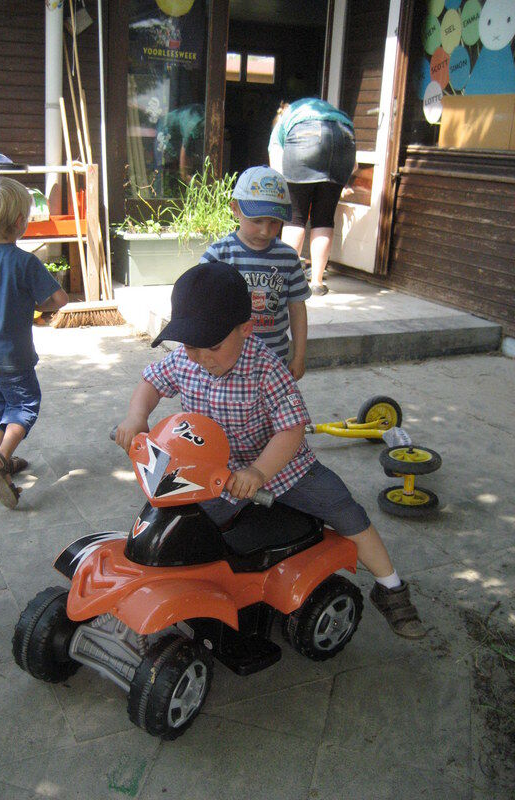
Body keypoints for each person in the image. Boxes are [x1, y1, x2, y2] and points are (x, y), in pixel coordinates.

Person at [115, 262, 425, 639]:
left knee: (345, 511)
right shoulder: (184, 359)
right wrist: (136, 416)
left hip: (285, 470)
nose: (201, 356)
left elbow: (291, 429)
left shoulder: (267, 369)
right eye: (191, 344)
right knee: (178, 523)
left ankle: (391, 587)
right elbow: (150, 383)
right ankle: (192, 592)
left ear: (245, 329)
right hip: (216, 475)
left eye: (212, 345)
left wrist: (259, 472)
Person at [0, 177, 68, 509]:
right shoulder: (25, 262)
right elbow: (59, 299)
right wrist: (35, 303)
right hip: (13, 357)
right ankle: (1, 457)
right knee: (25, 405)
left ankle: (3, 467)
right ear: (20, 222)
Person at [200, 165, 310, 381]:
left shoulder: (288, 258)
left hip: (274, 360)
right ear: (235, 209)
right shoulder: (218, 254)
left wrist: (299, 356)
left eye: (274, 222)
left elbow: (297, 308)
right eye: (257, 220)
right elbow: (200, 307)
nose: (265, 230)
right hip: (228, 361)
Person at [268, 98, 356, 296]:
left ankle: (284, 281)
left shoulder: (283, 124)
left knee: (295, 218)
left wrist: (284, 195)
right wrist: (339, 183)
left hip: (305, 141)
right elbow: (354, 165)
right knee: (324, 219)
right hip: (344, 138)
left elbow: (276, 167)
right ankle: (317, 282)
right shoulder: (331, 113)